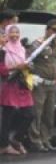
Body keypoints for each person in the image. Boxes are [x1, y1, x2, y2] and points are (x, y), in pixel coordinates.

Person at [28, 18, 56, 152]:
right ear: (48, 30)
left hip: (52, 84)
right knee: (37, 113)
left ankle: (46, 139)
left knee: (49, 114)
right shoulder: (38, 44)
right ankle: (35, 140)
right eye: (54, 30)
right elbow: (29, 60)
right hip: (40, 83)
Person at [0, 24, 35, 156]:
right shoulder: (3, 50)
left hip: (23, 84)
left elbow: (27, 63)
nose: (14, 35)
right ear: (7, 35)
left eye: (17, 33)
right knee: (7, 117)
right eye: (11, 33)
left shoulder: (22, 49)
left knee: (30, 114)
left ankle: (16, 139)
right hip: (9, 85)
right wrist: (17, 66)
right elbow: (2, 70)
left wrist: (28, 67)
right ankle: (4, 145)